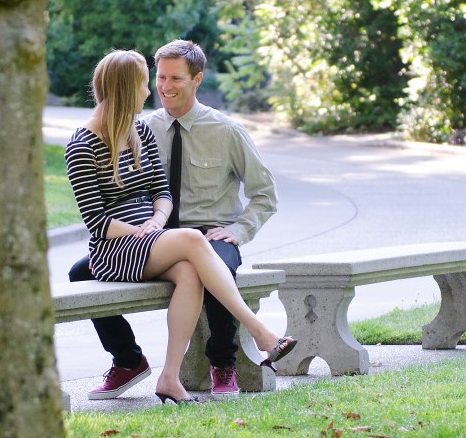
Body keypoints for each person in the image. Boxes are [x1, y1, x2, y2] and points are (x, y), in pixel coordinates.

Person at [64, 48, 296, 405]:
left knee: (191, 268)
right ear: (130, 88)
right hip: (119, 244)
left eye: (171, 79)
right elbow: (95, 221)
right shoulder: (84, 144)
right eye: (151, 81)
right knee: (187, 242)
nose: (155, 89)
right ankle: (261, 334)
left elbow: (161, 189)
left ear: (195, 79)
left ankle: (172, 377)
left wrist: (159, 220)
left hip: (168, 235)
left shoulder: (142, 129)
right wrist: (146, 229)